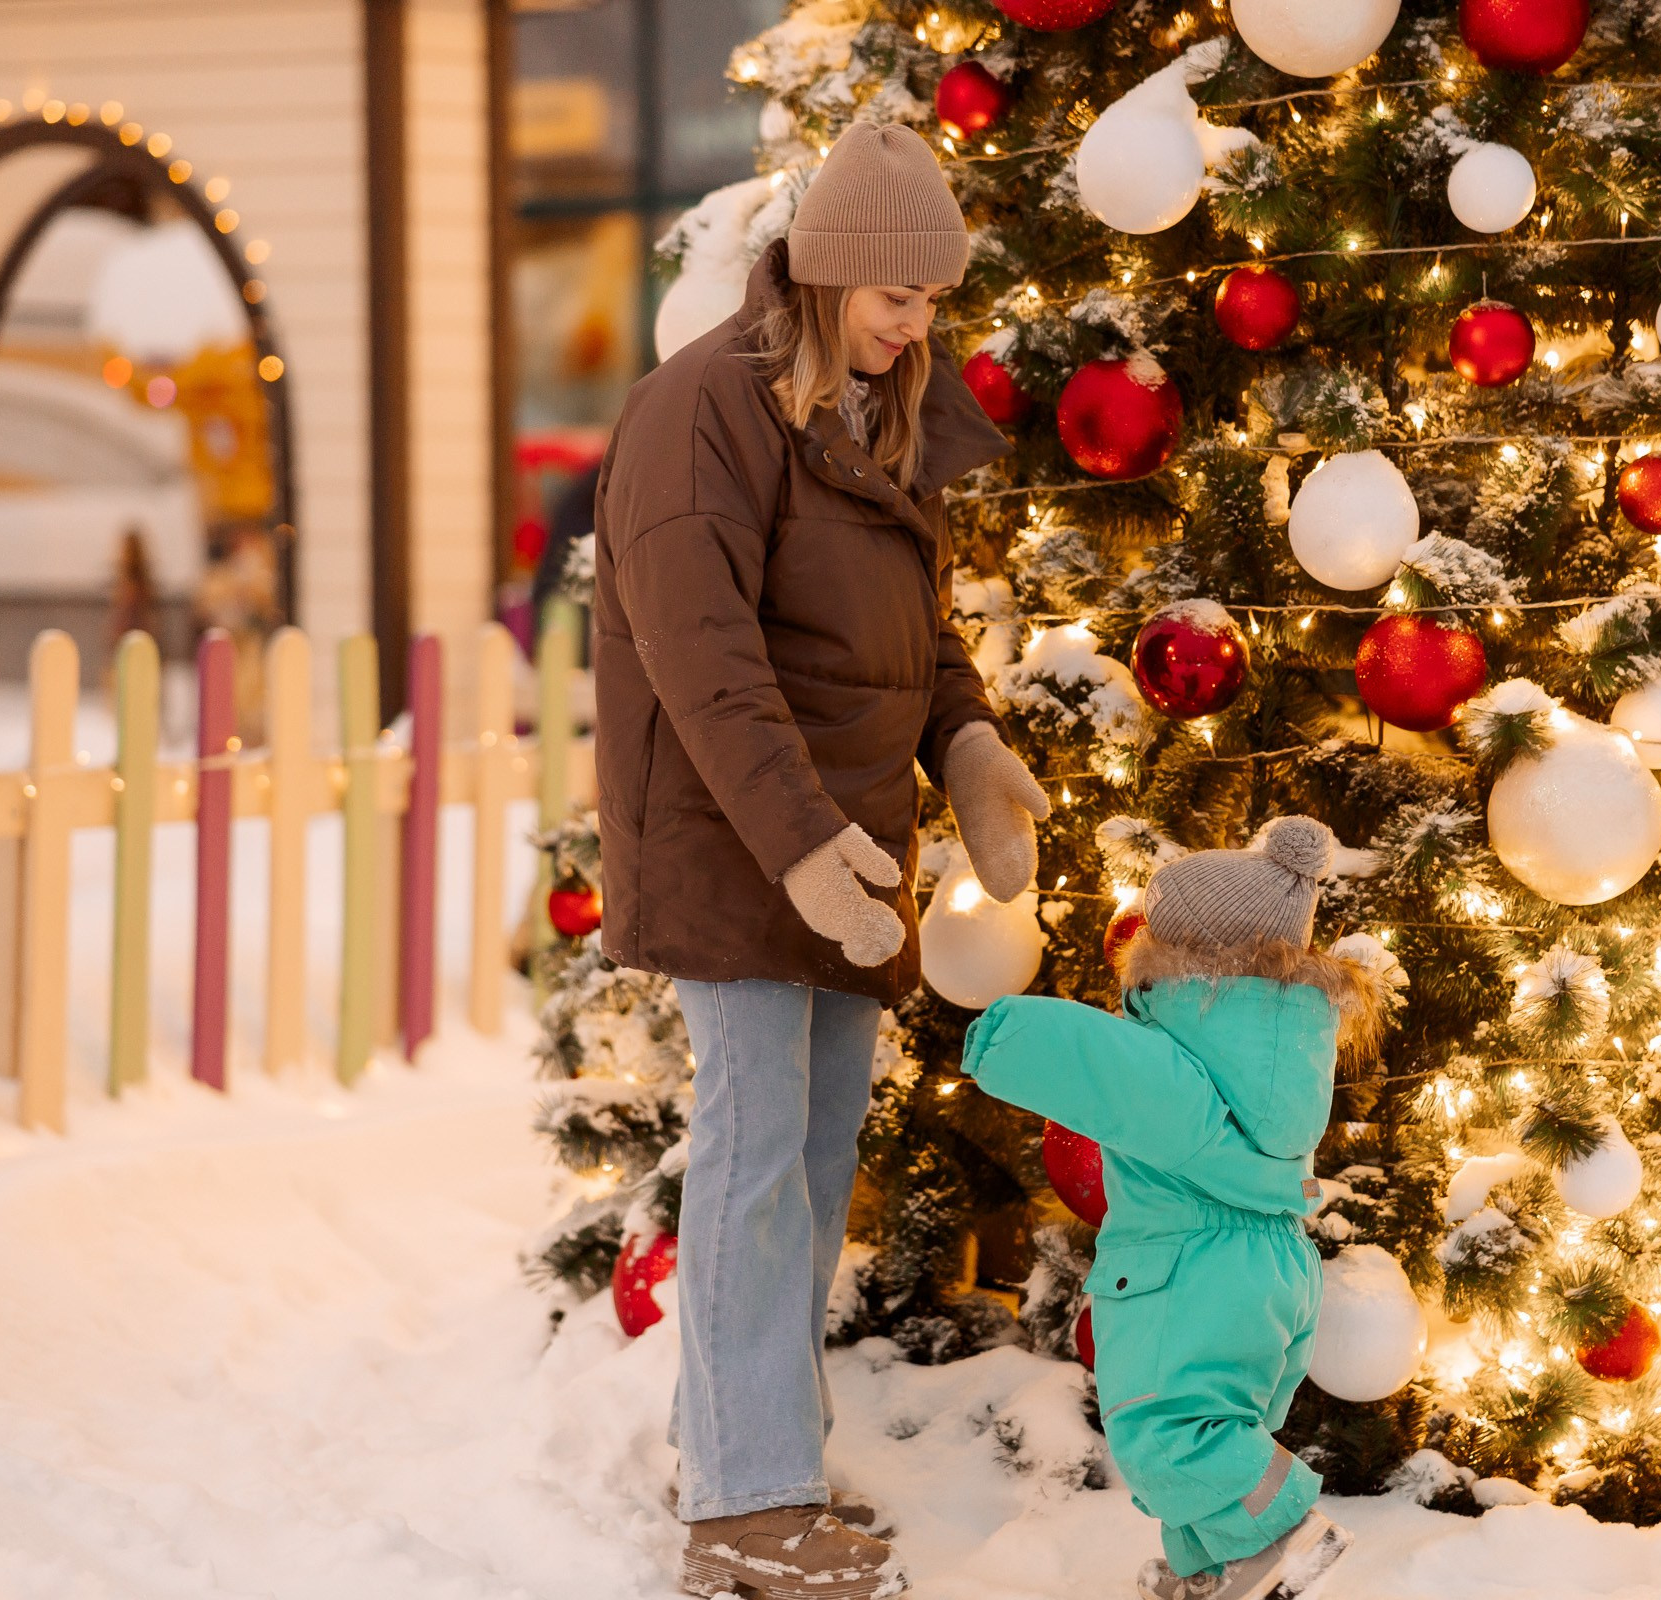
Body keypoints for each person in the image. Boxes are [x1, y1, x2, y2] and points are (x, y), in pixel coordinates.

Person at [590, 121, 1051, 1600]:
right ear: (832, 270)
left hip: (846, 851)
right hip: (740, 844)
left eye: (932, 301)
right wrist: (800, 847)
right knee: (750, 1163)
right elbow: (705, 660)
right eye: (896, 297)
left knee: (810, 1159)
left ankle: (746, 1451)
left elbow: (913, 638)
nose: (919, 325)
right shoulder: (700, 415)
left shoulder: (878, 411)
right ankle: (744, 1506)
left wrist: (967, 747)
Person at [959, 818, 1380, 1600]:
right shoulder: (1282, 1042)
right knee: (1206, 1424)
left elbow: (1091, 1059)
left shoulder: (1181, 1046)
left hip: (1191, 1268)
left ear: (1184, 948)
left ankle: (1283, 1531)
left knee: (1164, 1429)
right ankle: (1214, 1569)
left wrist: (994, 1034)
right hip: (1267, 1268)